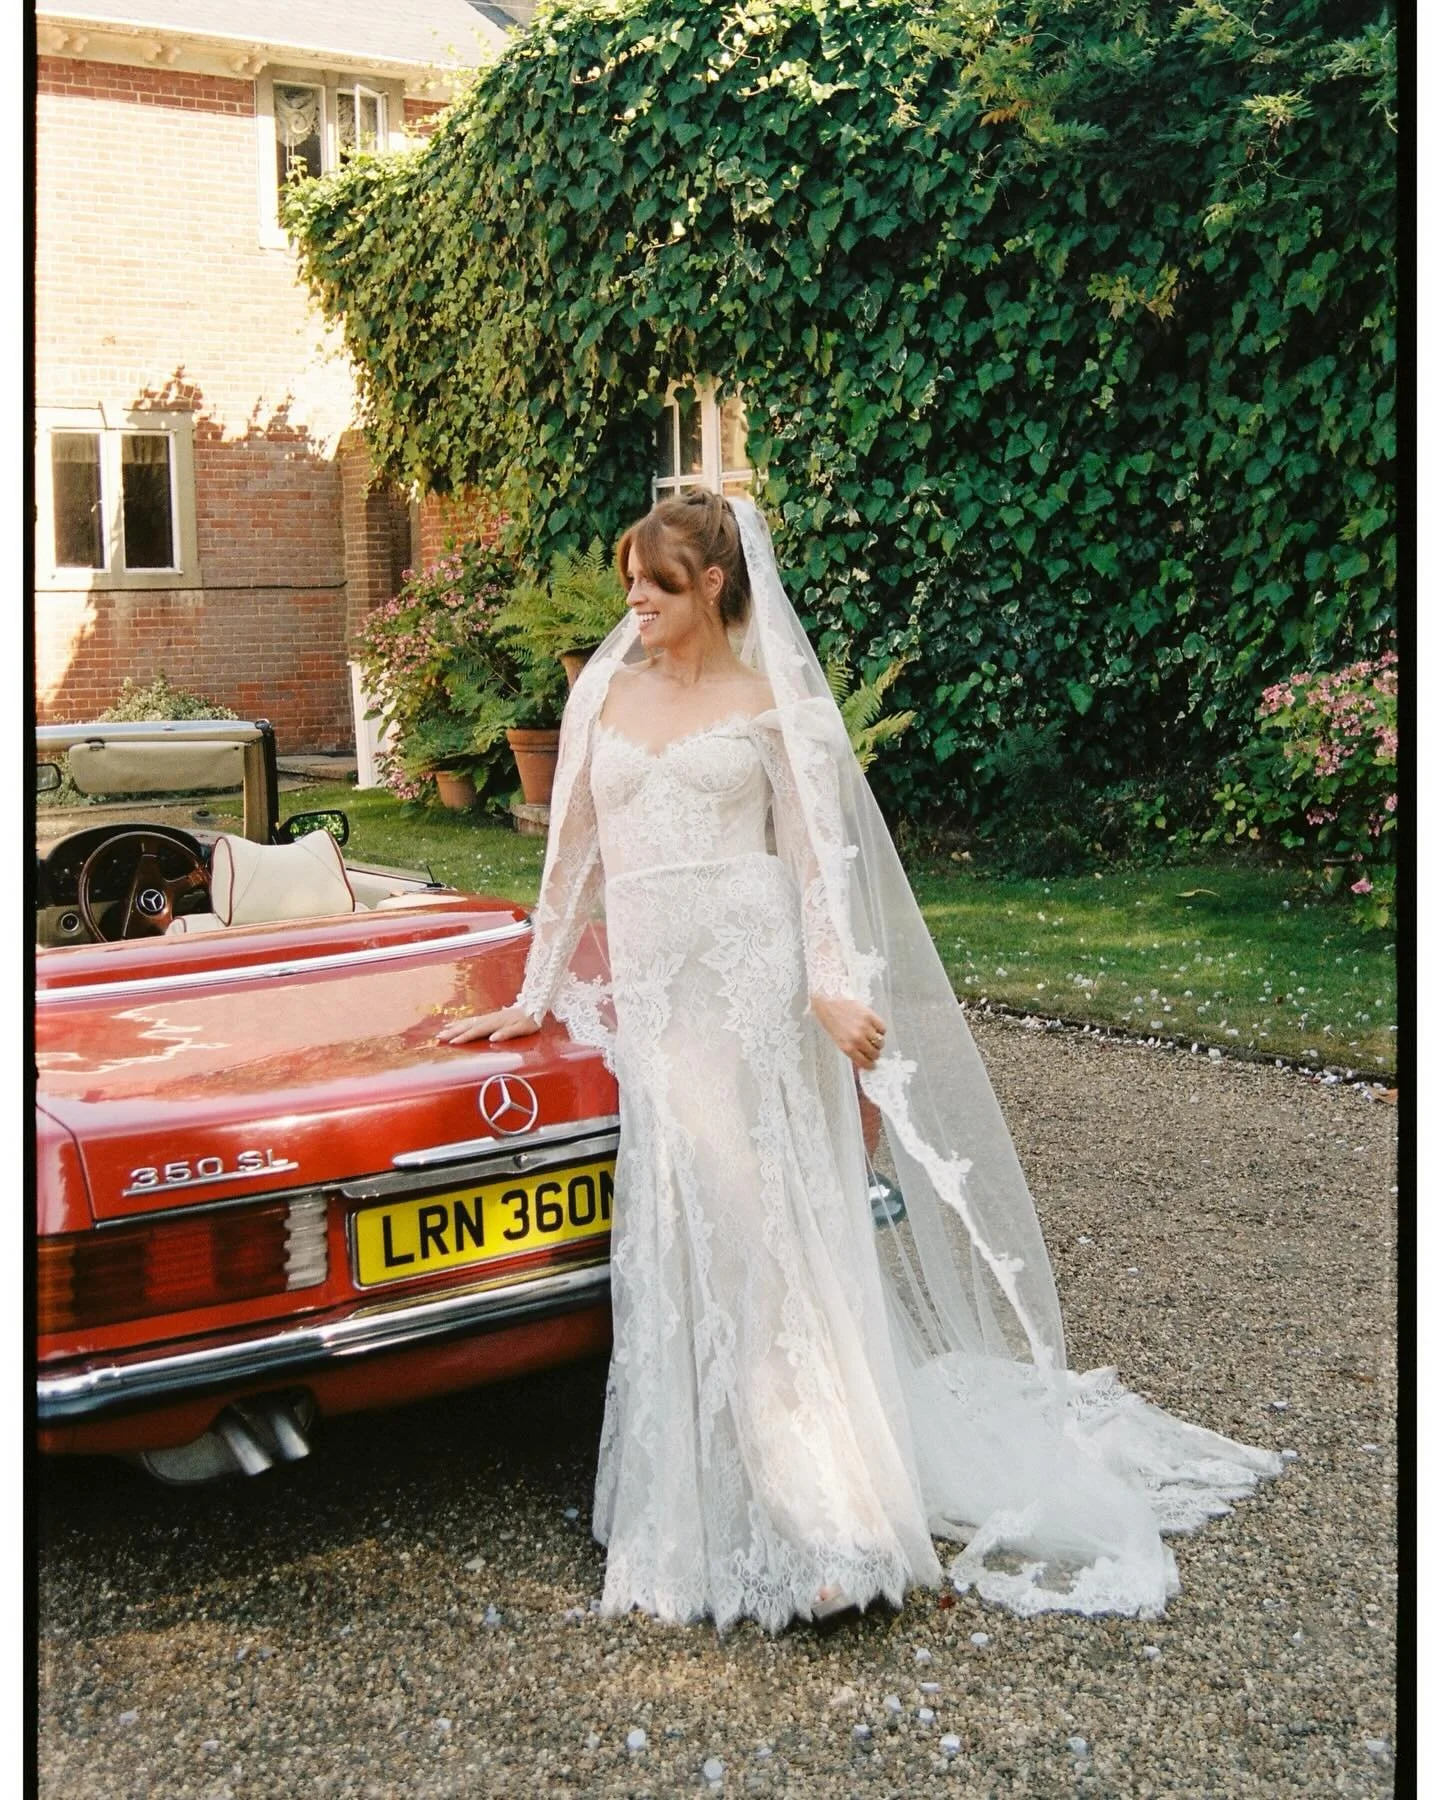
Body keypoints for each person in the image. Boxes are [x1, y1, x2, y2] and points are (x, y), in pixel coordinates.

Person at [438, 492, 1281, 1635]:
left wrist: (835, 987)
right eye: (630, 580)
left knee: (767, 1237)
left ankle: (825, 1519)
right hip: (664, 1004)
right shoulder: (603, 693)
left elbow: (819, 865)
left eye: (655, 585)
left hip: (755, 989)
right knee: (696, 1235)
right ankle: (701, 1513)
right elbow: (570, 860)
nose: (632, 601)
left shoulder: (773, 702)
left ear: (715, 590)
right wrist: (533, 995)